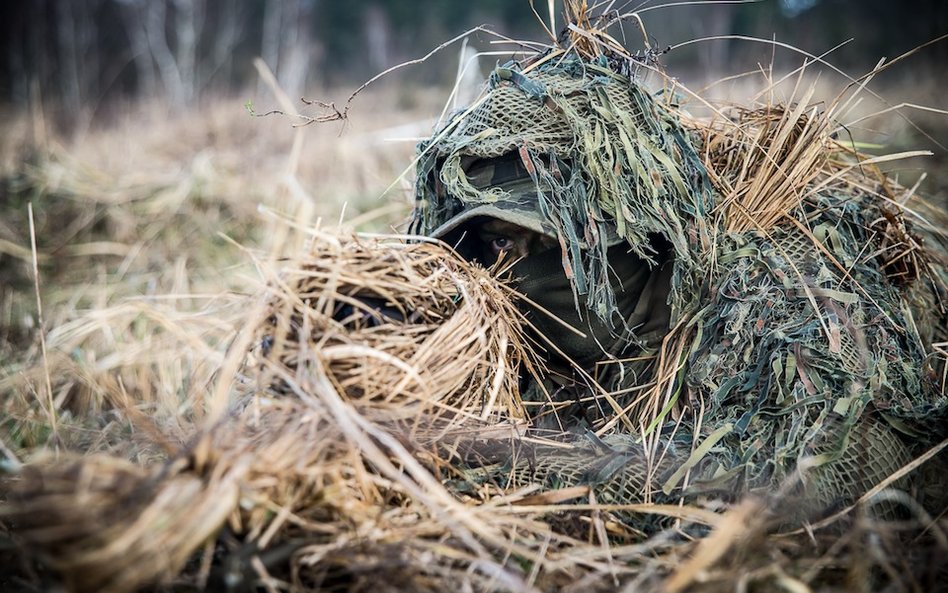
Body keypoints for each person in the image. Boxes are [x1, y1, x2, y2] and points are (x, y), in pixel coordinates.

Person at [410, 47, 948, 517]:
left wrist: (519, 467)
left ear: (643, 238)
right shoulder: (496, 338)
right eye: (498, 244)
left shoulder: (775, 302)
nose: (513, 272)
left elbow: (804, 481)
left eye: (556, 242)